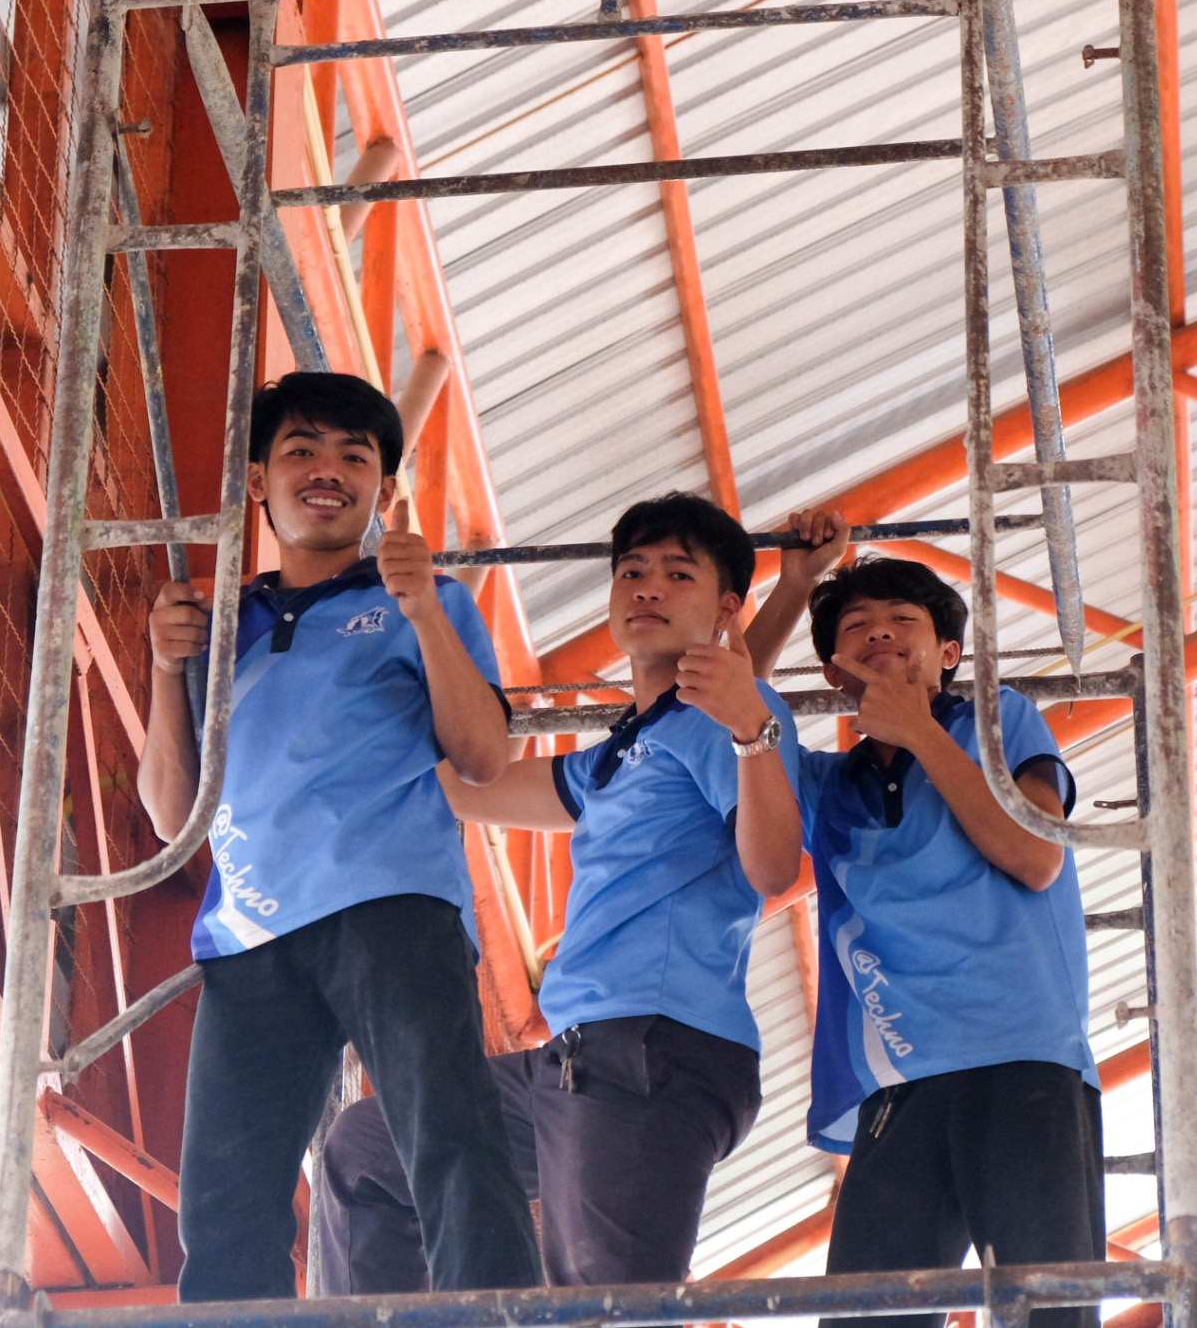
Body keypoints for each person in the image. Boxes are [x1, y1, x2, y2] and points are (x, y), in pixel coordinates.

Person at [315, 492, 803, 1292]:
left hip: (652, 1048)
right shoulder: (618, 755)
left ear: (725, 609)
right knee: (367, 1151)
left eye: (676, 572)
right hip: (570, 1058)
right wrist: (407, 630)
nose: (646, 585)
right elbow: (466, 788)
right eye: (632, 570)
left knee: (598, 1297)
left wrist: (754, 728)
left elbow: (774, 869)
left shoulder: (724, 721)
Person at [136, 370, 541, 1303]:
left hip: (389, 907)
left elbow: (480, 755)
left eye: (355, 456)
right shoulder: (215, 626)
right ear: (257, 479)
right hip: (247, 934)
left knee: (449, 1138)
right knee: (226, 1205)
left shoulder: (425, 596)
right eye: (302, 451)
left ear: (384, 490)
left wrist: (424, 609)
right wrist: (164, 666)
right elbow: (170, 813)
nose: (328, 470)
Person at [746, 515, 1104, 1328]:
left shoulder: (1000, 717)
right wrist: (797, 583)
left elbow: (1034, 852)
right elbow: (730, 702)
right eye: (856, 627)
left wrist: (916, 730)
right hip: (898, 1082)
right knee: (868, 1317)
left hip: (1023, 1062)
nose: (879, 632)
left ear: (949, 653)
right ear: (835, 670)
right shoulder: (823, 783)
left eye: (903, 622)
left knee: (1050, 1314)